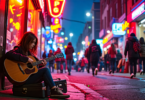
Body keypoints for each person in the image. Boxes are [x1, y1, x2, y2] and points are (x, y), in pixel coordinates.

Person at [5, 32, 69, 98]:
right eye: (32, 42)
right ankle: (54, 90)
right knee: (46, 70)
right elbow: (8, 54)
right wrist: (26, 59)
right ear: (27, 41)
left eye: (34, 43)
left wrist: (41, 64)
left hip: (27, 78)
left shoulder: (30, 53)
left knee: (45, 71)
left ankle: (51, 90)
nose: (34, 44)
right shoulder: (19, 48)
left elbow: (33, 68)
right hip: (20, 79)